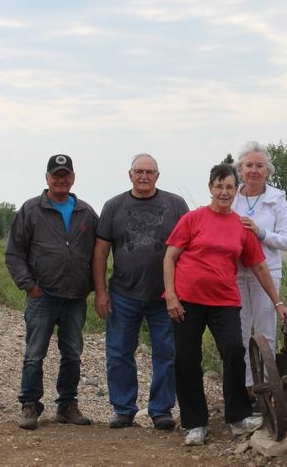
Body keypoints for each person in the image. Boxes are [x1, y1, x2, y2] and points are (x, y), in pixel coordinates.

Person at [163, 163, 287, 446]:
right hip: (187, 301)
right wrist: (171, 295)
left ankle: (237, 416)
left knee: (234, 351)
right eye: (219, 186)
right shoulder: (193, 219)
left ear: (236, 191)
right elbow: (170, 257)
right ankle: (195, 423)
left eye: (229, 187)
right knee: (186, 359)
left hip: (224, 300)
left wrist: (278, 302)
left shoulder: (241, 226)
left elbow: (259, 267)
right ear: (210, 188)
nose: (224, 192)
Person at [92, 154, 189, 430]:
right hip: (123, 294)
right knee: (119, 353)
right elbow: (100, 252)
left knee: (166, 353)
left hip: (166, 296)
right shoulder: (114, 206)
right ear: (129, 174)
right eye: (139, 171)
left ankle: (161, 410)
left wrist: (181, 291)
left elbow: (189, 246)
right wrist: (101, 291)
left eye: (149, 171)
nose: (144, 176)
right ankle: (123, 409)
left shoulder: (175, 204)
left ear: (158, 175)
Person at [5, 154, 98, 430]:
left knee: (72, 354)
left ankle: (67, 405)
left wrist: (92, 286)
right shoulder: (31, 210)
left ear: (73, 178)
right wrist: (30, 286)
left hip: (75, 298)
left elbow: (99, 252)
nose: (61, 180)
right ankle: (30, 405)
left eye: (65, 175)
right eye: (56, 175)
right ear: (47, 178)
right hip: (42, 295)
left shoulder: (86, 212)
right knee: (35, 353)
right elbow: (14, 253)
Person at [232, 141, 287, 400]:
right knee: (240, 331)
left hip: (267, 270)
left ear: (267, 171)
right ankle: (246, 389)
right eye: (248, 166)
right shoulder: (230, 195)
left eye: (259, 166)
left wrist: (260, 232)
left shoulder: (276, 198)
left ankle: (266, 389)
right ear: (240, 169)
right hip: (235, 271)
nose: (253, 171)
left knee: (266, 331)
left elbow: (286, 240)